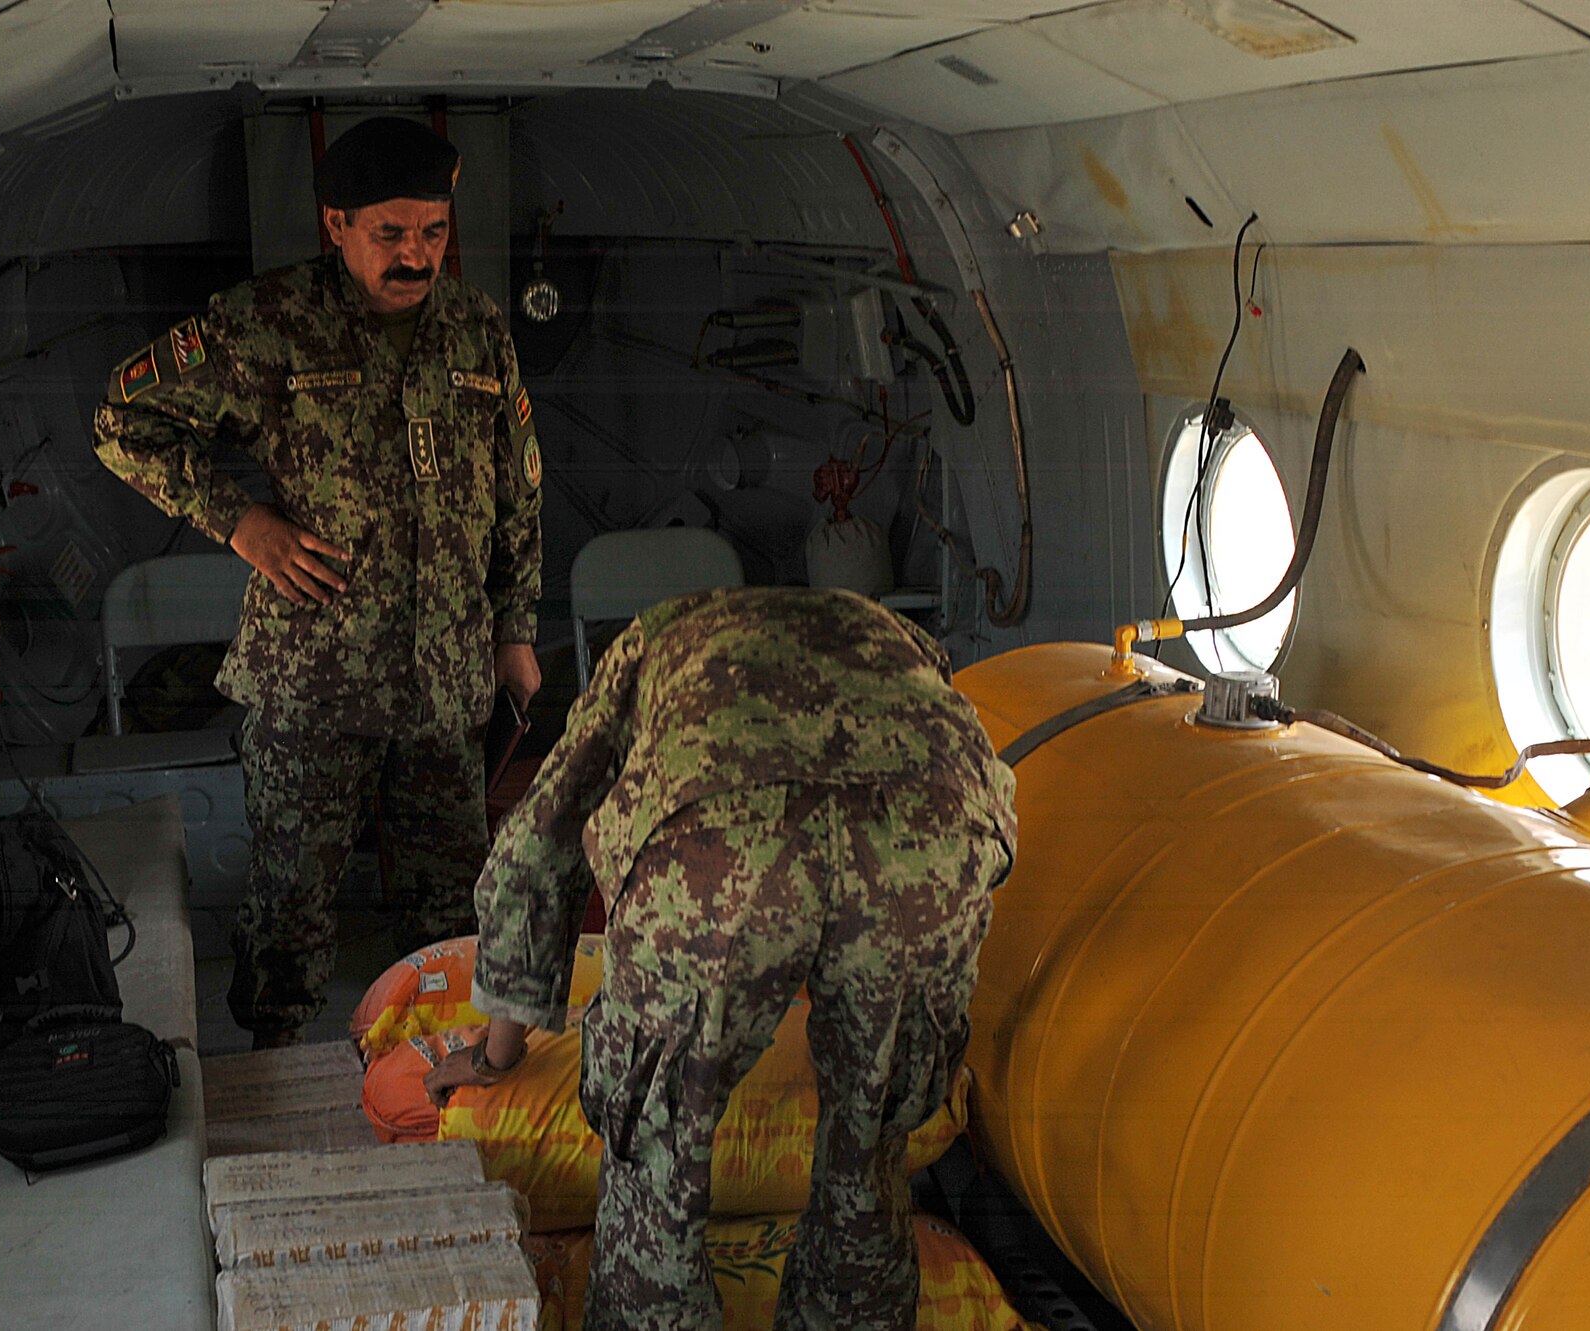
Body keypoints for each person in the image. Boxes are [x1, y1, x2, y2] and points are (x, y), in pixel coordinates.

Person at [426, 586, 1015, 1331]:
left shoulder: (647, 642)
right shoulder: (892, 634)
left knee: (657, 1151)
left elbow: (537, 846)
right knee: (870, 1140)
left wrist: (496, 1054)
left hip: (717, 840)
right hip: (932, 828)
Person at [91, 116, 544, 1048]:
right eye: (392, 235)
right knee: (290, 899)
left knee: (452, 905)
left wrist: (516, 631)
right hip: (315, 675)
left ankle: (444, 1075)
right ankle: (272, 1064)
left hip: (447, 680)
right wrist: (242, 523)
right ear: (336, 224)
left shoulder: (477, 329)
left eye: (433, 232)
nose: (416, 256)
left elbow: (519, 493)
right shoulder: (266, 324)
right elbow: (119, 419)